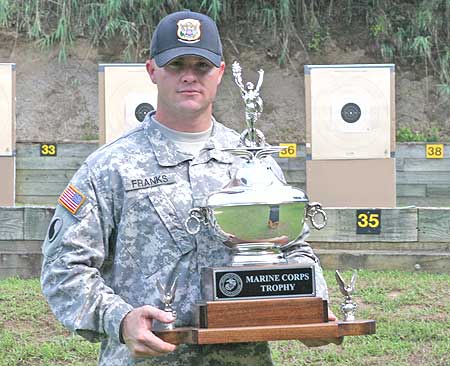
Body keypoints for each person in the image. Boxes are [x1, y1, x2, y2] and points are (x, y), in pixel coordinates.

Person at [41, 10, 335, 366]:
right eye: (177, 65)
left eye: (202, 66)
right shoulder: (109, 168)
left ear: (220, 73)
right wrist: (119, 319)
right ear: (152, 70)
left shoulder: (251, 162)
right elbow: (63, 269)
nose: (189, 77)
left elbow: (293, 250)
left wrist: (313, 310)